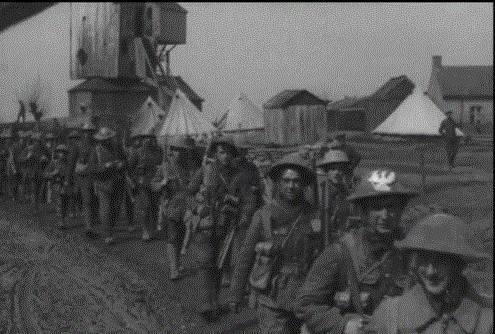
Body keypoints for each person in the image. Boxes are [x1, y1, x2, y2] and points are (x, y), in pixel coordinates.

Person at [294, 168, 418, 334]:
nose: (385, 215)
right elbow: (305, 303)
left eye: (392, 207)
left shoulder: (411, 252)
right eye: (376, 208)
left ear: (401, 210)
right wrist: (343, 325)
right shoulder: (341, 251)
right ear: (363, 211)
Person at [227, 152, 320, 334]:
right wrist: (235, 294)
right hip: (272, 295)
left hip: (306, 295)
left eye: (296, 181)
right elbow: (246, 255)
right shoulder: (263, 215)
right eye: (286, 181)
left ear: (303, 184)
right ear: (278, 183)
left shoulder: (314, 214)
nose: (291, 186)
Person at [366, 213, 493, 334]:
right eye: (423, 259)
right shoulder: (390, 316)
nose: (430, 272)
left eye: (441, 261)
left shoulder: (485, 323)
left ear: (459, 264)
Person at [86, 127, 127, 244]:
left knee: (116, 208)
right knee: (106, 208)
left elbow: (125, 161)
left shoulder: (117, 147)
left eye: (108, 139)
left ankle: (110, 227)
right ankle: (107, 233)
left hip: (117, 182)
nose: (107, 141)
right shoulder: (96, 150)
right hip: (102, 183)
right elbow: (91, 168)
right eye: (104, 139)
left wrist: (121, 164)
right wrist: (104, 166)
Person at [316, 149, 361, 246]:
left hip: (340, 243)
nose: (337, 172)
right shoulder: (319, 191)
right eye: (333, 169)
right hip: (319, 241)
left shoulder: (349, 195)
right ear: (327, 171)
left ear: (344, 171)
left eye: (340, 169)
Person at [128, 128, 164, 241]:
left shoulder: (159, 151)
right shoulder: (137, 152)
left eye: (153, 138)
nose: (150, 140)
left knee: (154, 206)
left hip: (155, 182)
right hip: (142, 183)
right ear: (143, 139)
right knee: (146, 207)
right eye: (147, 138)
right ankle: (146, 230)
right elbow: (130, 168)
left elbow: (161, 165)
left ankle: (152, 228)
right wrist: (134, 180)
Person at [73, 120, 100, 239]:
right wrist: (68, 180)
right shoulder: (78, 146)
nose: (88, 134)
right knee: (87, 201)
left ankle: (93, 222)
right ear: (83, 133)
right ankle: (89, 227)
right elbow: (71, 164)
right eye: (85, 132)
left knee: (96, 202)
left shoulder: (98, 145)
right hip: (84, 178)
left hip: (97, 177)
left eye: (90, 132)